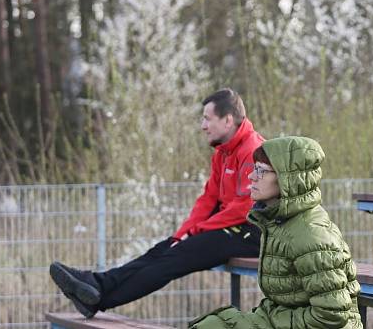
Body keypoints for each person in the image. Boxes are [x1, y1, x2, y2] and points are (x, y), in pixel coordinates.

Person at [49, 88, 265, 318]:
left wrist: (197, 231)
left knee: (173, 259)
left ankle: (99, 299)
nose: (203, 126)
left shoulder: (253, 150)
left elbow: (244, 209)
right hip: (231, 227)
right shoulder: (222, 153)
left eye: (207, 119)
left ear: (228, 120)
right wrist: (181, 234)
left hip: (252, 233)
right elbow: (208, 199)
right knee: (161, 250)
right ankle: (97, 283)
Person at [189, 136, 363, 329]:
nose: (251, 176)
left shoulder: (310, 235)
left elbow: (332, 315)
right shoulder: (278, 222)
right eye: (254, 168)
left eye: (261, 171)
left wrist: (271, 322)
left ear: (288, 178)